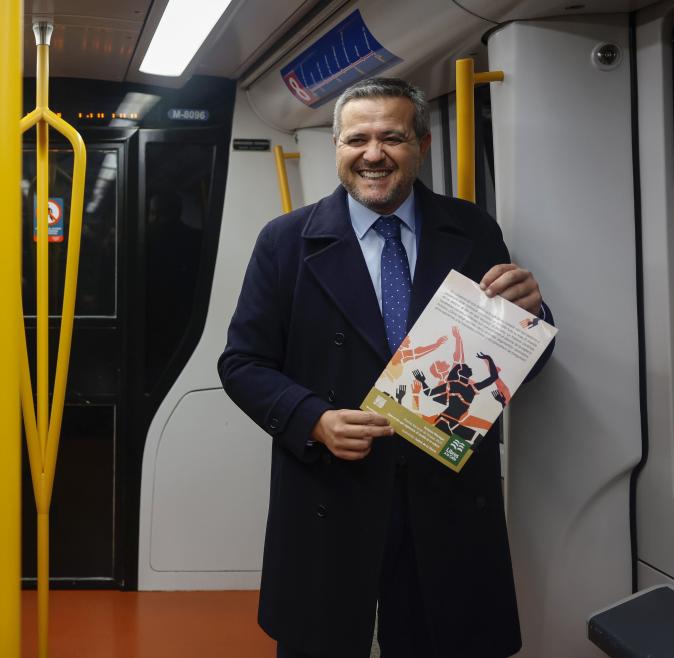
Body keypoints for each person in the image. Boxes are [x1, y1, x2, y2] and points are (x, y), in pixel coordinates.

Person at [217, 77, 554, 658]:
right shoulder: (286, 242)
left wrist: (533, 317)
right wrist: (313, 418)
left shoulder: (472, 229)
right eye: (357, 139)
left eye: (392, 138)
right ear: (338, 147)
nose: (373, 154)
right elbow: (242, 363)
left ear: (422, 144)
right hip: (332, 489)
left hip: (444, 498)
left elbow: (518, 362)